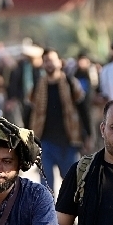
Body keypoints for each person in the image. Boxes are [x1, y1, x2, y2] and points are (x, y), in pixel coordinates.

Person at [29, 48, 91, 192]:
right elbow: (30, 111)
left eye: (52, 60)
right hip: (45, 142)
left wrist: (88, 134)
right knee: (45, 186)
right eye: (46, 61)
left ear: (59, 62)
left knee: (73, 184)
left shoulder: (70, 83)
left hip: (69, 141)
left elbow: (83, 108)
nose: (49, 64)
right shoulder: (38, 85)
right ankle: (48, 214)